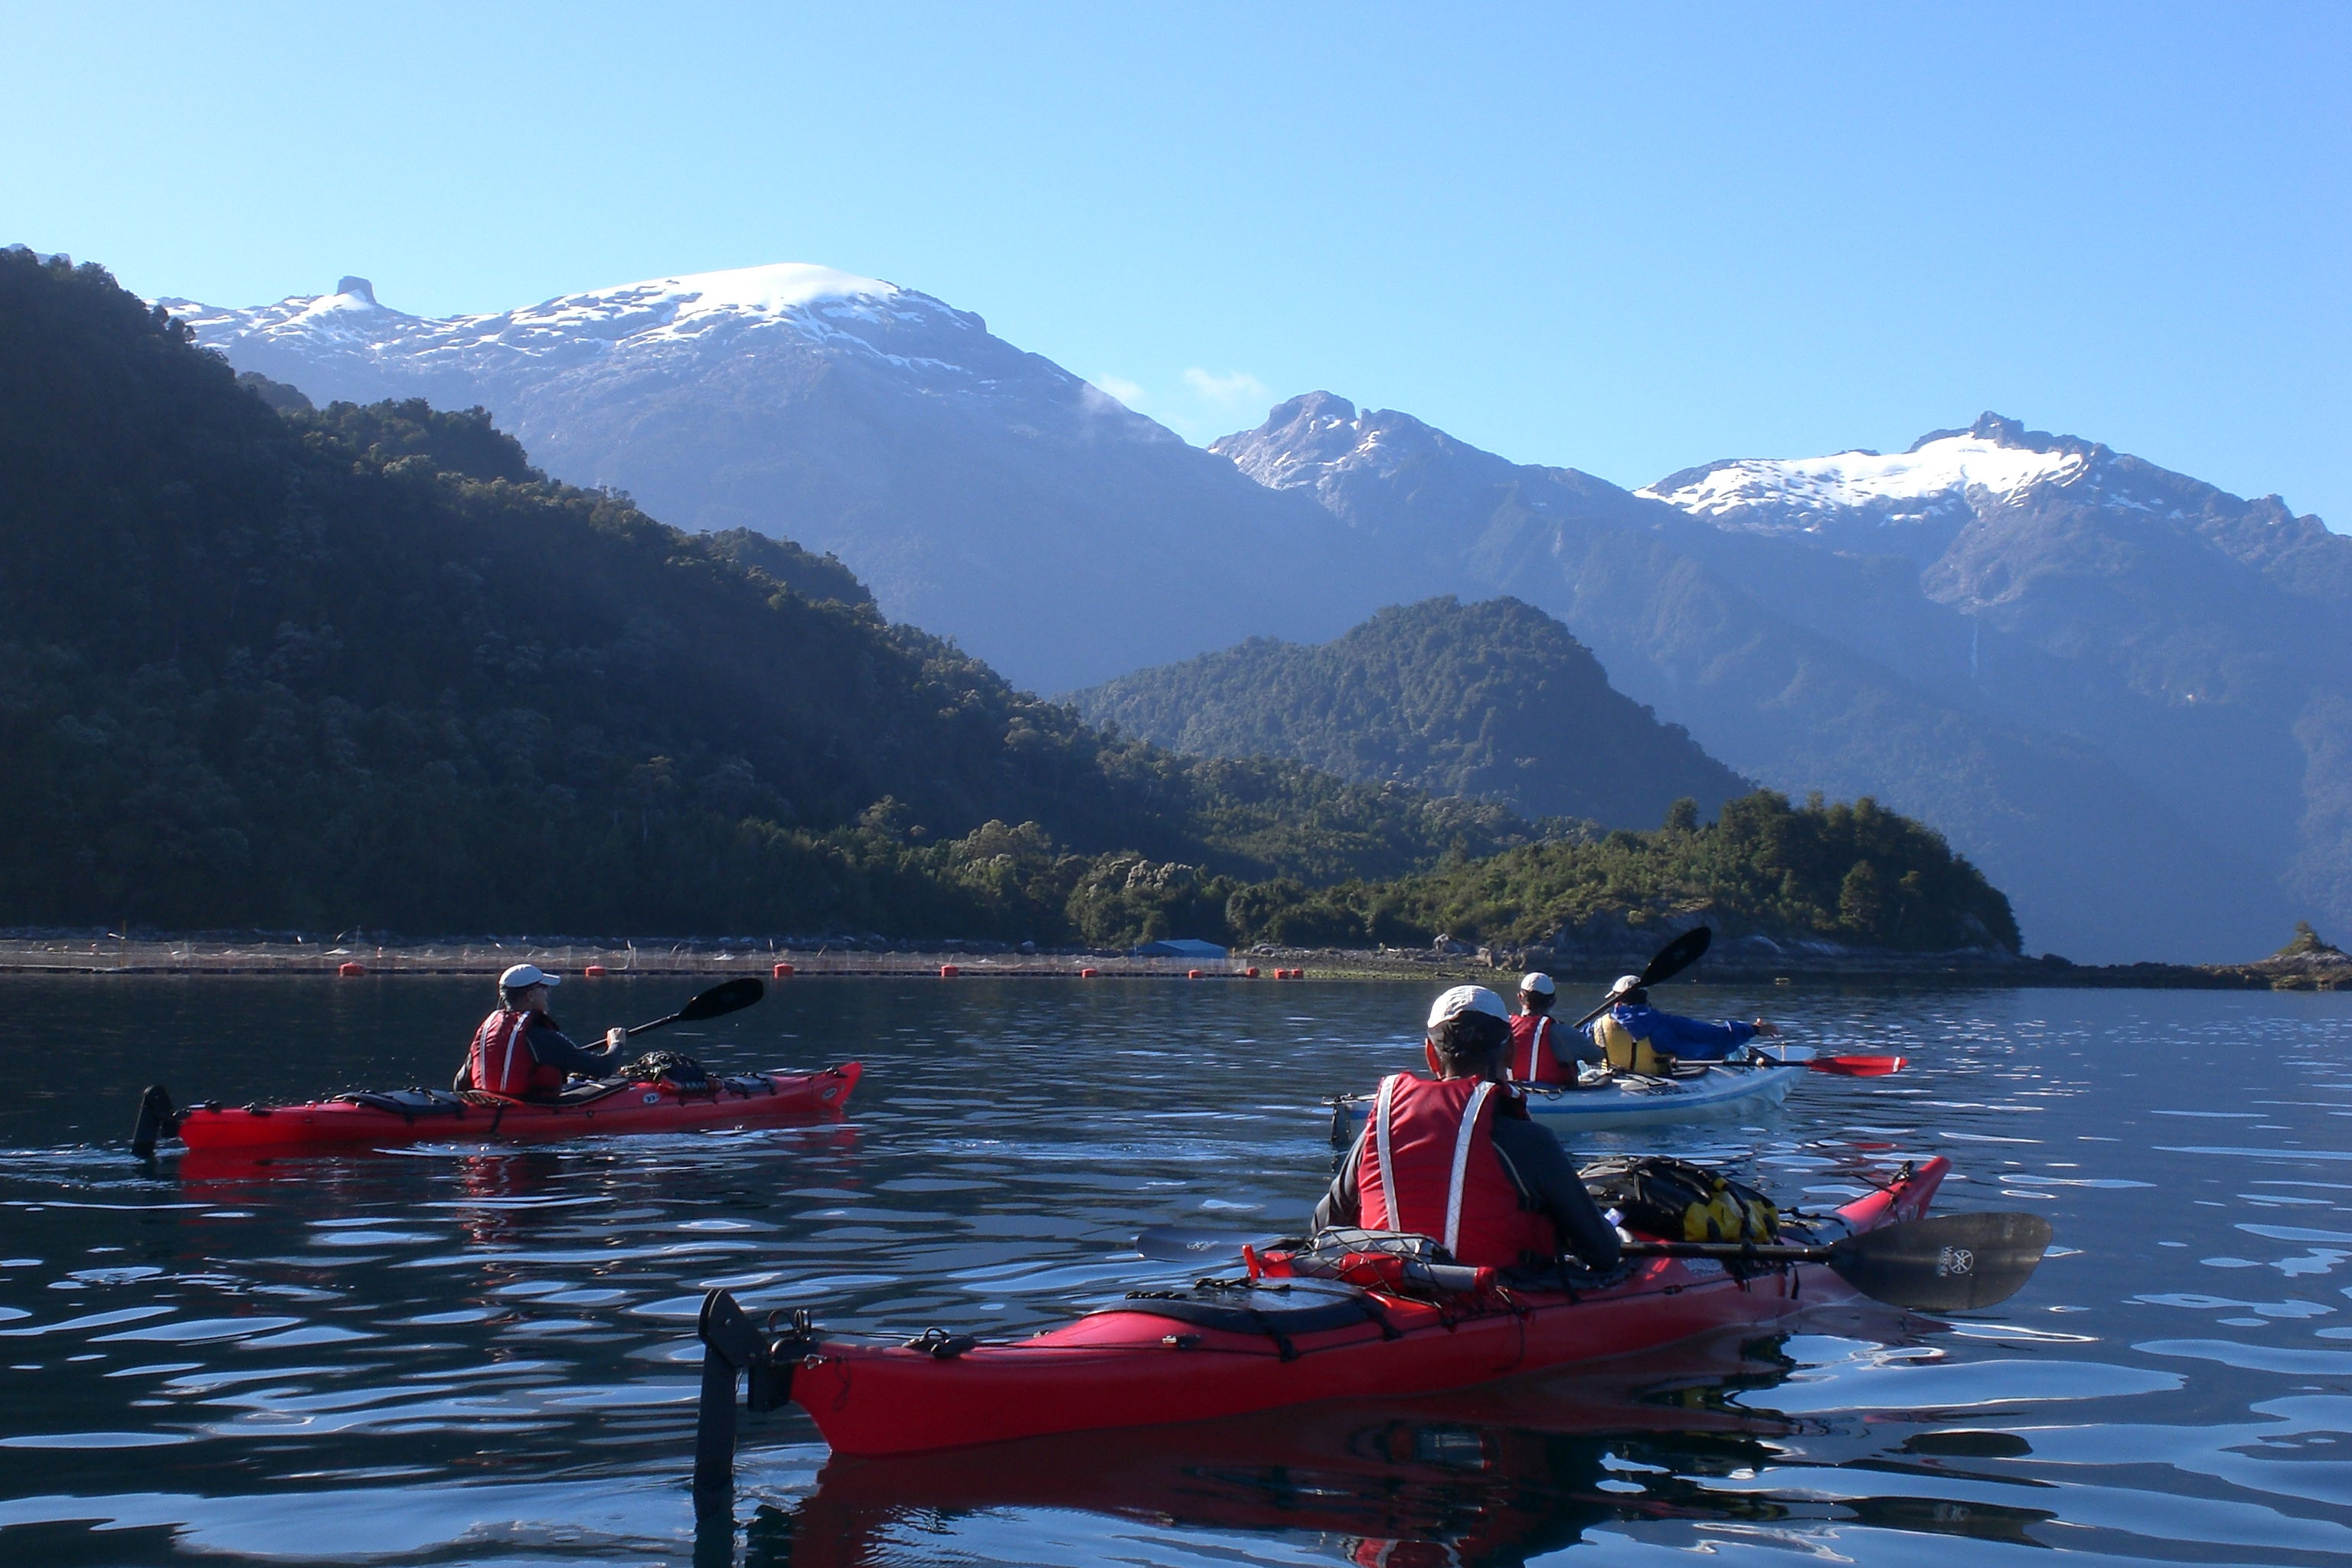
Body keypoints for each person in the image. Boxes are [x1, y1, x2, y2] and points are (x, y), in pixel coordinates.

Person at [1315, 985, 1622, 1272]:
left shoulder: (1377, 1134)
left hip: (1391, 1294)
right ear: (1511, 1052)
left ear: (1430, 1054)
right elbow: (1603, 1252)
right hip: (1498, 1301)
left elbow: (1322, 1228)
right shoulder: (1532, 1142)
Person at [455, 964, 628, 1099]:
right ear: (530, 996)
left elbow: (459, 1085)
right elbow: (604, 1068)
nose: (548, 993)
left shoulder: (486, 1031)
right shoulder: (540, 1036)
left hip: (489, 1105)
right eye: (544, 988)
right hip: (529, 1110)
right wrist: (616, 1044)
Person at [1586, 975, 1779, 1075]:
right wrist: (1753, 1029)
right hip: (1655, 1084)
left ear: (1617, 1003)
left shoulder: (1597, 1027)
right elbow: (1715, 1037)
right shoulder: (1664, 1024)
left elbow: (1569, 1043)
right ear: (1645, 998)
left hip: (1612, 1083)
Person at [1508, 971, 1600, 1085]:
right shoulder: (1564, 1032)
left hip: (1512, 1096)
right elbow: (1596, 1056)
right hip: (1556, 1096)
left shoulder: (1503, 1027)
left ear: (1520, 997)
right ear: (1553, 1001)